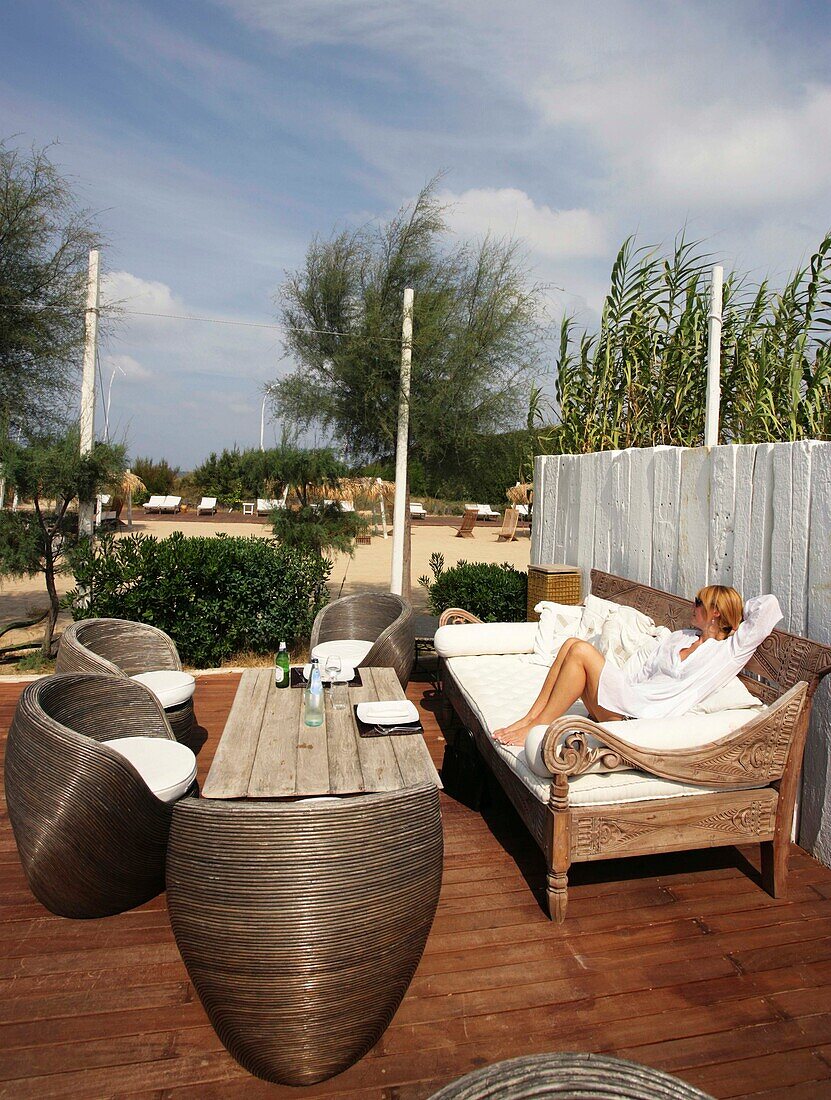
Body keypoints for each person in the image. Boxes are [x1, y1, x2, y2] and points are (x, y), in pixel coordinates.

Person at [493, 586, 782, 746]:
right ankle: (530, 720)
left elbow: (768, 608)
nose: (692, 606)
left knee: (580, 650)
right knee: (571, 643)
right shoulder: (681, 637)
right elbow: (641, 673)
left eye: (699, 602)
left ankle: (539, 727)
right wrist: (613, 685)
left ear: (715, 611)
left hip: (640, 717)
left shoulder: (728, 650)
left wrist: (736, 614)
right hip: (625, 702)